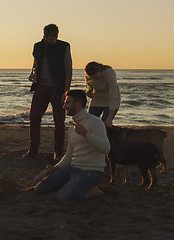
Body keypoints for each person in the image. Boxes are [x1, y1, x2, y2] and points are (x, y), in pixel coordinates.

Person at [34, 90, 110, 201]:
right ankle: (72, 186)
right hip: (73, 169)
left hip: (91, 172)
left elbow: (106, 148)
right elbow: (70, 154)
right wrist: (57, 167)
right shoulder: (72, 128)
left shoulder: (95, 122)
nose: (64, 106)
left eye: (67, 103)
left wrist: (86, 134)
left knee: (62, 197)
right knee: (39, 189)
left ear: (78, 104)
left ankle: (92, 192)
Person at [24, 23, 72, 161]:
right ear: (44, 36)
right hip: (41, 87)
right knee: (34, 118)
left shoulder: (64, 46)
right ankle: (33, 150)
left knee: (59, 121)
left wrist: (66, 91)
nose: (53, 41)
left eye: (55, 39)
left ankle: (58, 152)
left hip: (57, 88)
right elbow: (35, 64)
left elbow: (68, 69)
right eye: (50, 39)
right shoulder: (37, 46)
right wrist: (31, 74)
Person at [84, 61, 121, 127]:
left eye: (96, 77)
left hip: (111, 99)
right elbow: (89, 87)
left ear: (100, 70)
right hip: (97, 98)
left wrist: (109, 118)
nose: (95, 79)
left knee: (105, 124)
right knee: (90, 123)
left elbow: (113, 95)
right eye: (93, 77)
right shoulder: (88, 75)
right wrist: (89, 92)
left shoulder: (109, 73)